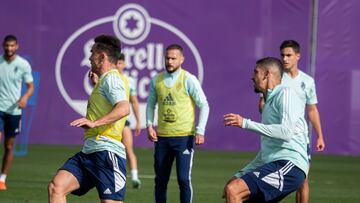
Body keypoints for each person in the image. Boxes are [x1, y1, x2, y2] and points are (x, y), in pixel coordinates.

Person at [48, 34, 130, 203]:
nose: (89, 57)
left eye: (92, 53)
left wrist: (94, 123)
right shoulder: (105, 80)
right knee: (57, 186)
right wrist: (97, 83)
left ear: (102, 57)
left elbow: (124, 108)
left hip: (107, 152)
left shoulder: (112, 79)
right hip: (90, 151)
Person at [223, 57, 309, 203]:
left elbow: (286, 133)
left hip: (290, 164)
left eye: (256, 72)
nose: (252, 76)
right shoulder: (268, 103)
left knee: (234, 190)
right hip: (275, 163)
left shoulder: (285, 93)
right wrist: (240, 174)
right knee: (233, 190)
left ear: (267, 74)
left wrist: (245, 123)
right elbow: (267, 153)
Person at [258, 40, 325, 203]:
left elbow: (312, 109)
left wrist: (320, 136)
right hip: (278, 137)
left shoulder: (307, 81)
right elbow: (262, 103)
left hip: (299, 139)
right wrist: (266, 107)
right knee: (272, 176)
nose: (285, 59)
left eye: (289, 55)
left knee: (302, 179)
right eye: (282, 55)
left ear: (298, 56)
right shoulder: (275, 77)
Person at [146, 44, 209, 203]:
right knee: (160, 181)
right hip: (162, 139)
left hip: (183, 138)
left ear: (181, 60)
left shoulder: (188, 79)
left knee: (183, 180)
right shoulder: (156, 80)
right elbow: (150, 105)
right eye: (167, 58)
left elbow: (204, 105)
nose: (170, 61)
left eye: (173, 58)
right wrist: (149, 125)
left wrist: (200, 130)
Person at [0, 35, 34, 190]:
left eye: (12, 45)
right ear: (3, 45)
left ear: (17, 46)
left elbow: (30, 87)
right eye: (7, 45)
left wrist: (25, 98)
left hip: (14, 111)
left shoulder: (23, 64)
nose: (9, 48)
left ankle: (2, 179)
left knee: (8, 145)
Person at [116, 53, 142, 189]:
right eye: (117, 63)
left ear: (125, 64)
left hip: (123, 121)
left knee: (128, 149)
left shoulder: (129, 80)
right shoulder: (109, 78)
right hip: (110, 121)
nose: (118, 65)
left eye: (121, 63)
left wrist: (138, 121)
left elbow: (134, 101)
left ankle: (135, 178)